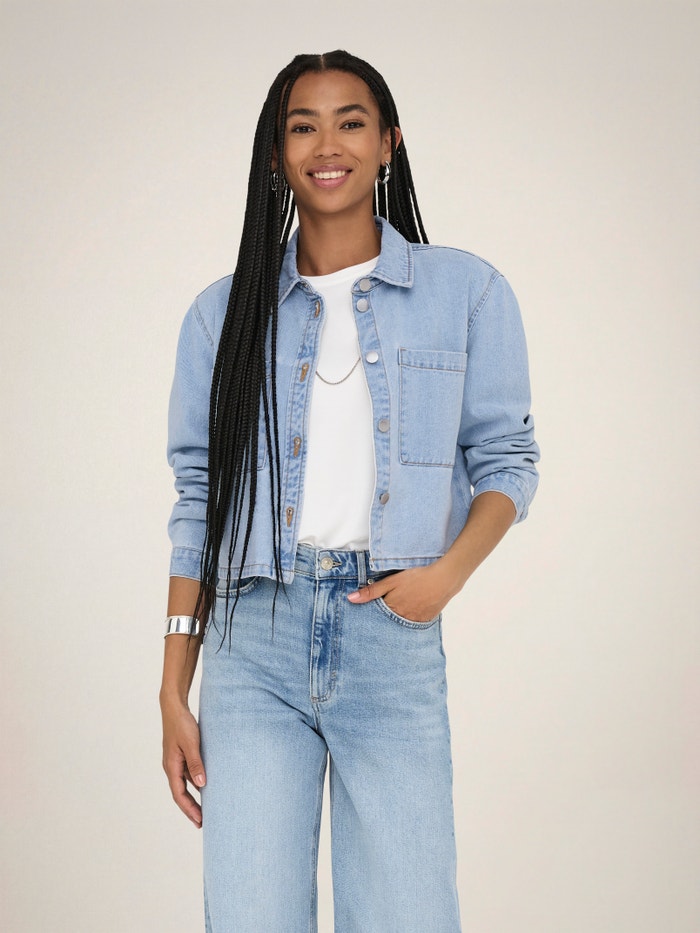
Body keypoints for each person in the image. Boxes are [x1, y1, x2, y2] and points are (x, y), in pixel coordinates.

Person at [160, 50, 539, 933]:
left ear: (388, 143)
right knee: (251, 916)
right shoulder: (222, 314)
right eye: (303, 126)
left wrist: (443, 577)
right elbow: (199, 499)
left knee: (408, 915)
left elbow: (507, 461)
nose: (326, 145)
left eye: (351, 122)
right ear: (276, 154)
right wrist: (175, 684)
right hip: (251, 643)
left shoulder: (467, 291)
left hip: (390, 639)